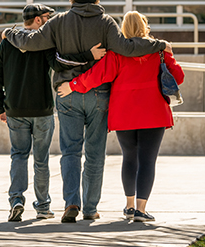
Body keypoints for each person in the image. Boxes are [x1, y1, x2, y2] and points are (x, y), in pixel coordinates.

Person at [1, 0, 171, 223]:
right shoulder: (106, 22)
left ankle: (71, 202)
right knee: (95, 153)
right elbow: (125, 48)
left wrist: (10, 33)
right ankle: (90, 208)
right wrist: (158, 44)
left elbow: (29, 43)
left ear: (71, 0)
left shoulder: (58, 21)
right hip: (99, 95)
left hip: (66, 94)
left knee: (70, 152)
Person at [57, 11, 184, 222]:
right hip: (153, 114)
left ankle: (129, 206)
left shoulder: (117, 54)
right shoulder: (159, 51)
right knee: (147, 161)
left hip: (124, 115)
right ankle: (142, 210)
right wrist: (170, 55)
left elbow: (98, 75)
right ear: (145, 27)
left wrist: (72, 86)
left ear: (123, 29)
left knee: (129, 158)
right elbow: (178, 77)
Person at [0, 3, 106, 222]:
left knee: (18, 154)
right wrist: (88, 55)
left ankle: (16, 200)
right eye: (47, 17)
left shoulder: (7, 43)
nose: (50, 21)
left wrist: (0, 107)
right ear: (37, 20)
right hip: (42, 109)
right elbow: (61, 64)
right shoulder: (45, 44)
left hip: (14, 109)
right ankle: (43, 207)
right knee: (41, 160)